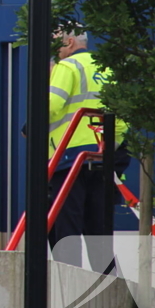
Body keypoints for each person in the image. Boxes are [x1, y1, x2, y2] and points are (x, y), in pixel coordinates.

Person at [47, 30, 129, 269]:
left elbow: (51, 105)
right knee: (99, 233)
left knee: (66, 230)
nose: (55, 49)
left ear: (70, 41)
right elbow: (122, 121)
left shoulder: (67, 66)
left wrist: (28, 126)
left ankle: (70, 285)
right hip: (102, 160)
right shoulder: (106, 69)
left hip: (67, 160)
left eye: (57, 42)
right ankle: (107, 286)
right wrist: (108, 149)